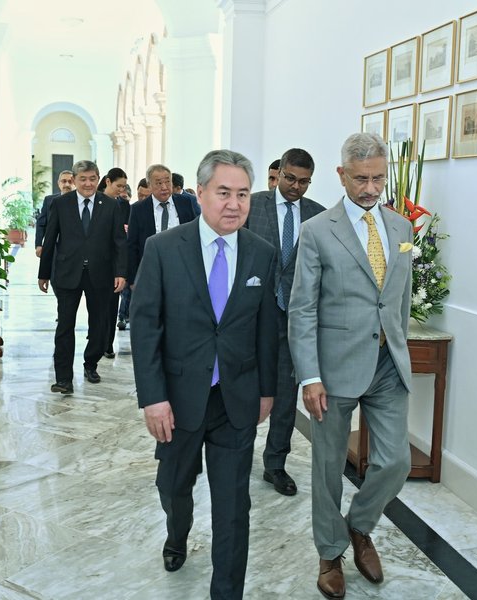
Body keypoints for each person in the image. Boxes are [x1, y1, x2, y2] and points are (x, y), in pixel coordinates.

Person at [130, 149, 278, 600]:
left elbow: (267, 329)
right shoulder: (163, 249)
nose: (234, 204)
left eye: (243, 194)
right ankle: (177, 533)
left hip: (236, 399)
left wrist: (267, 392)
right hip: (177, 400)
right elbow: (145, 326)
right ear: (199, 193)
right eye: (223, 193)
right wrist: (153, 398)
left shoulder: (261, 254)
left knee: (233, 507)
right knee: (174, 486)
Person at [288, 133, 414, 599]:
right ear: (342, 175)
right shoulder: (318, 230)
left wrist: (398, 346)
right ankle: (330, 552)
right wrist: (310, 376)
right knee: (327, 467)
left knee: (396, 461)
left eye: (378, 178)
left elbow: (398, 301)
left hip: (387, 363)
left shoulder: (401, 228)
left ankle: (359, 526)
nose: (370, 188)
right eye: (361, 179)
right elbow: (302, 308)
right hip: (334, 369)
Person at [246, 148, 325, 496]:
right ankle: (233, 455)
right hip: (251, 315)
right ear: (278, 173)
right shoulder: (253, 205)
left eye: (304, 182)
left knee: (284, 394)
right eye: (290, 178)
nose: (295, 186)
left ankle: (275, 464)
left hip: (295, 318)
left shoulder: (318, 216)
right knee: (243, 391)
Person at [38, 160, 127, 394]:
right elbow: (50, 239)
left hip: (101, 274)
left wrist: (120, 272)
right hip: (67, 273)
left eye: (92, 179)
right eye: (83, 179)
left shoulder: (110, 205)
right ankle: (63, 379)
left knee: (99, 325)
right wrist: (44, 273)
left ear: (99, 180)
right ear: (75, 180)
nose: (88, 184)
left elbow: (119, 241)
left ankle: (91, 364)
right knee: (65, 326)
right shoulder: (60, 203)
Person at [126, 164, 198, 288]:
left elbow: (194, 236)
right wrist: (133, 280)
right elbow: (132, 245)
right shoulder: (139, 209)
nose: (164, 187)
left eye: (167, 182)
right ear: (149, 185)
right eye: (159, 183)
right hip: (150, 271)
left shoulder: (185, 202)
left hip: (181, 270)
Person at [97, 168, 130, 358]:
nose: (121, 190)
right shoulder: (95, 200)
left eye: (124, 187)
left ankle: (107, 343)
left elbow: (123, 239)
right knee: (97, 306)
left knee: (111, 306)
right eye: (119, 185)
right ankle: (96, 338)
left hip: (113, 263)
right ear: (108, 182)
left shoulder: (123, 205)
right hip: (95, 261)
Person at [35, 170, 75, 257]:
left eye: (70, 181)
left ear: (75, 183)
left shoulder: (81, 202)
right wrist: (39, 245)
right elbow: (41, 224)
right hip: (53, 247)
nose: (67, 184)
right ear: (58, 183)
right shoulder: (49, 200)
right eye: (64, 181)